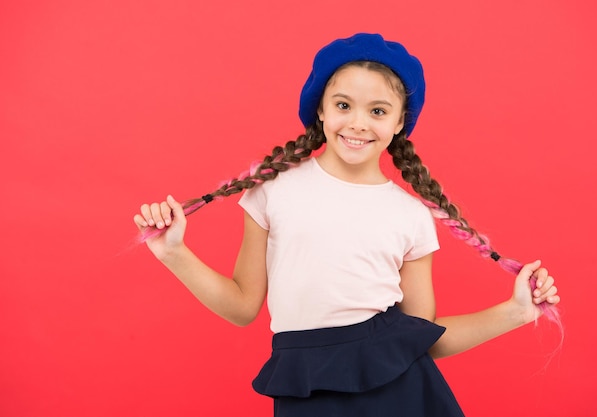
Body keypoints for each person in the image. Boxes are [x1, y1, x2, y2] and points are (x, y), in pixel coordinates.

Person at [133, 33, 560, 417]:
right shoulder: (273, 192)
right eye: (343, 105)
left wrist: (517, 311)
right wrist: (174, 253)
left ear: (398, 123)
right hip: (304, 387)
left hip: (403, 392)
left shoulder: (409, 216)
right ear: (320, 108)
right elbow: (243, 306)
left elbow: (424, 336)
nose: (358, 123)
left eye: (378, 110)